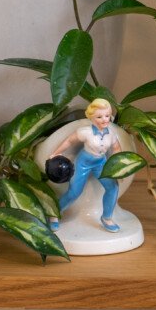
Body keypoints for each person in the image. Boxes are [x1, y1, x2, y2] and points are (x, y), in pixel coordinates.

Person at [53, 97, 123, 233]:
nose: (104, 119)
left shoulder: (112, 133)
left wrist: (118, 168)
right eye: (99, 116)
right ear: (91, 118)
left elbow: (116, 149)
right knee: (74, 192)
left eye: (107, 115)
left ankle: (107, 217)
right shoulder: (85, 132)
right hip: (84, 162)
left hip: (101, 163)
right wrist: (55, 153)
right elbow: (69, 141)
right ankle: (54, 213)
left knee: (113, 187)